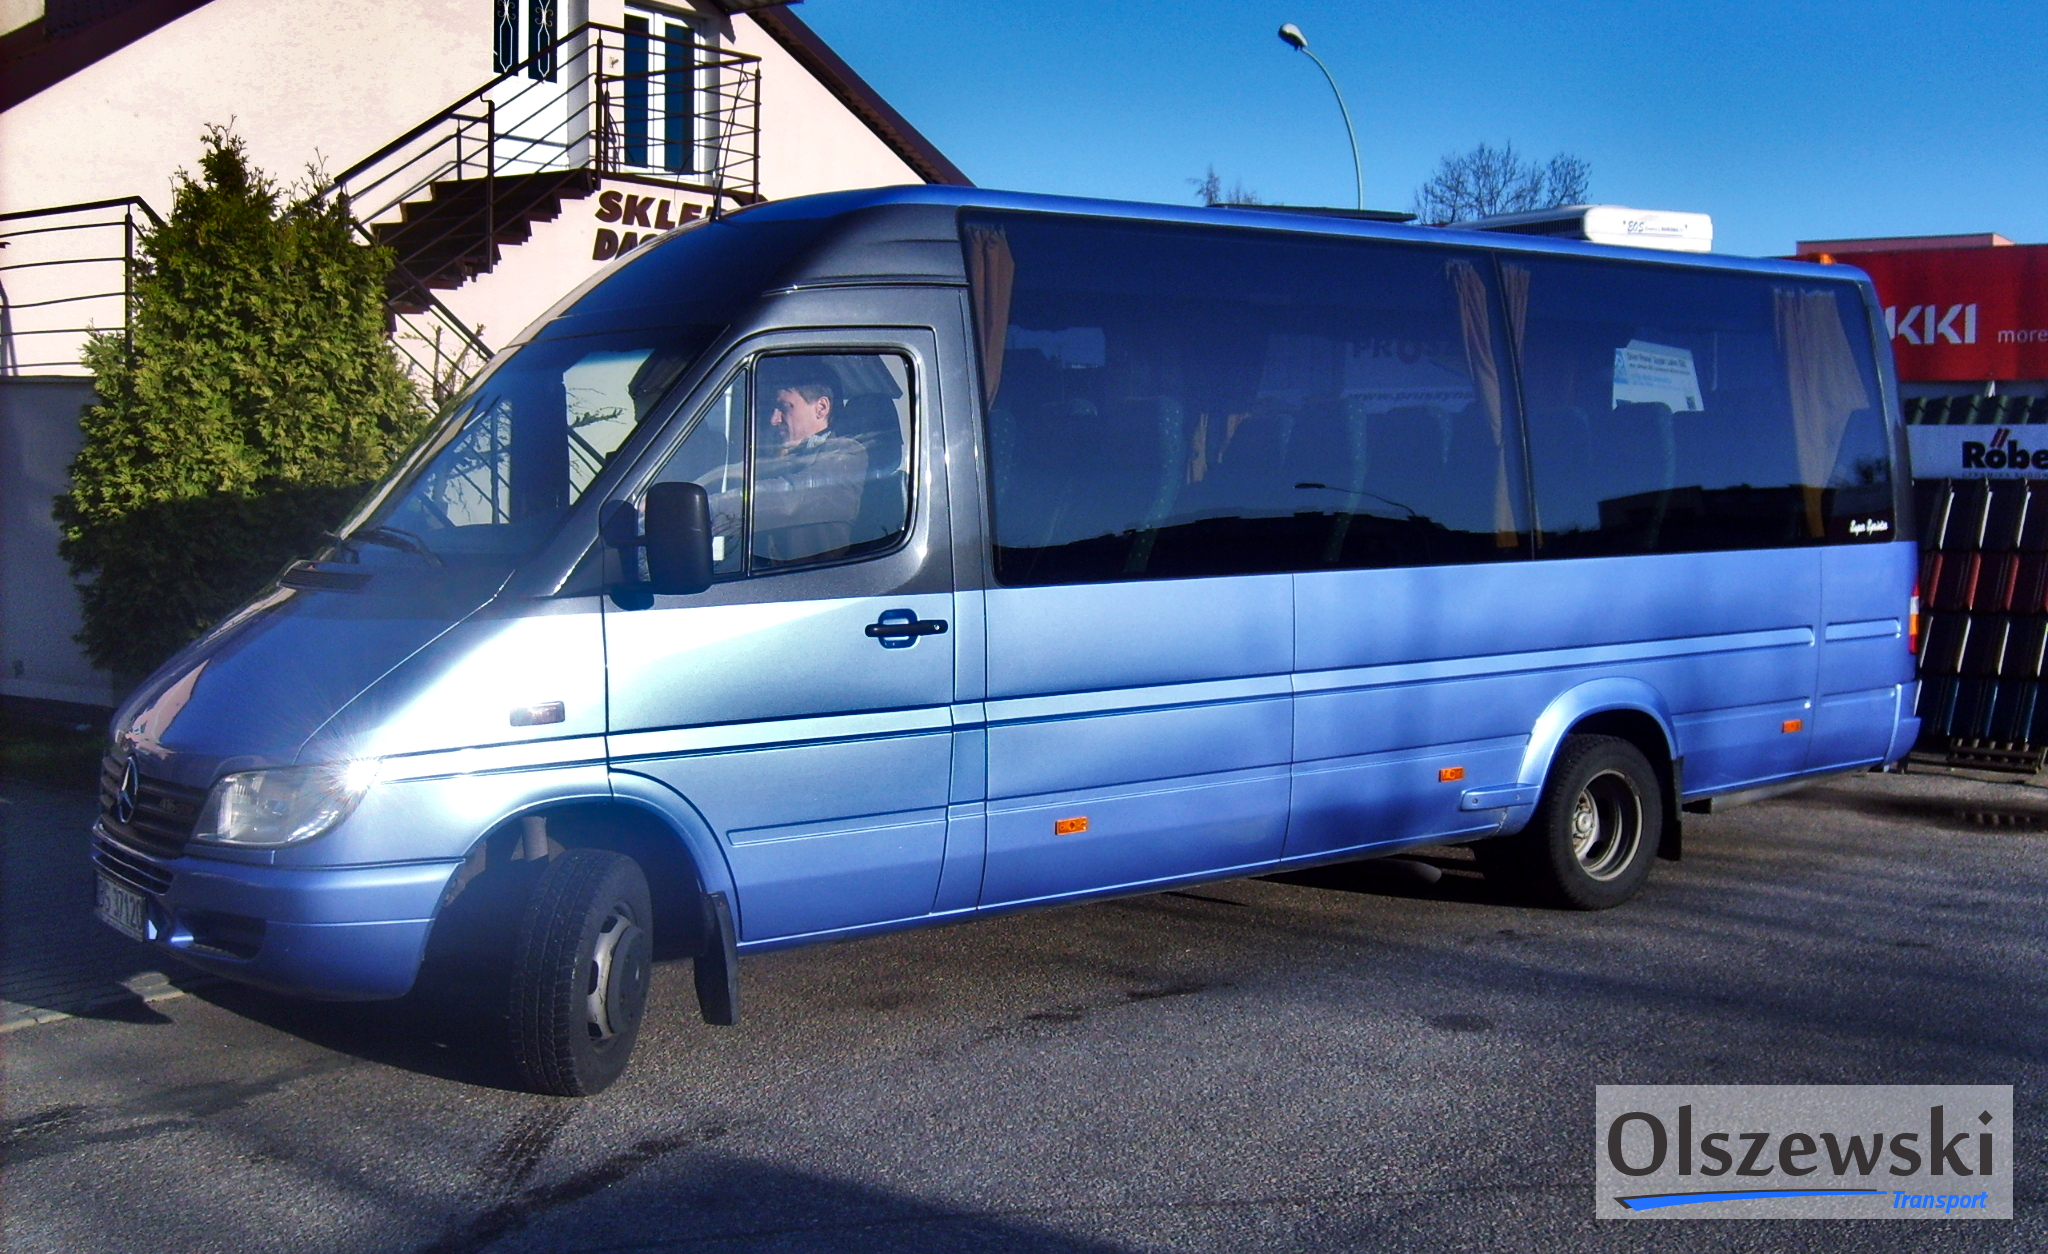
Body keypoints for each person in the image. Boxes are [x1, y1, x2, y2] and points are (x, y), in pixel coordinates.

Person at [703, 374, 868, 564]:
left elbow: (791, 498)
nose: (774, 419)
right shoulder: (780, 457)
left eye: (784, 407)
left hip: (811, 584)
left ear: (821, 407)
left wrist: (708, 510)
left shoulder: (847, 453)